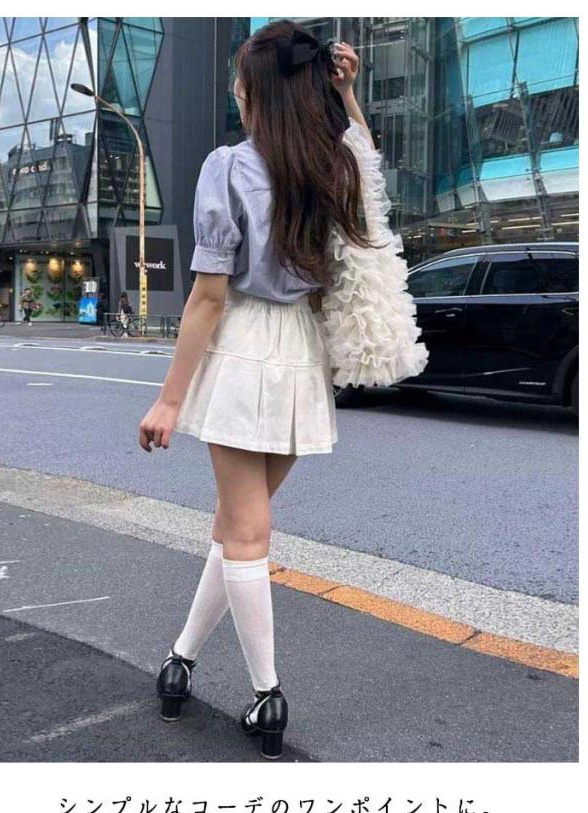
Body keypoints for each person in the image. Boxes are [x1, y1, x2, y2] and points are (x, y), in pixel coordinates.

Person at [138, 21, 379, 760]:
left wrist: (169, 397)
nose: (235, 91)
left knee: (244, 531)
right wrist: (349, 97)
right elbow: (369, 168)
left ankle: (267, 696)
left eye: (240, 82)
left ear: (256, 93)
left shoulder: (230, 166)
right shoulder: (335, 165)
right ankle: (179, 661)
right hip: (302, 355)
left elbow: (209, 296)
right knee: (236, 524)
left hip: (243, 346)